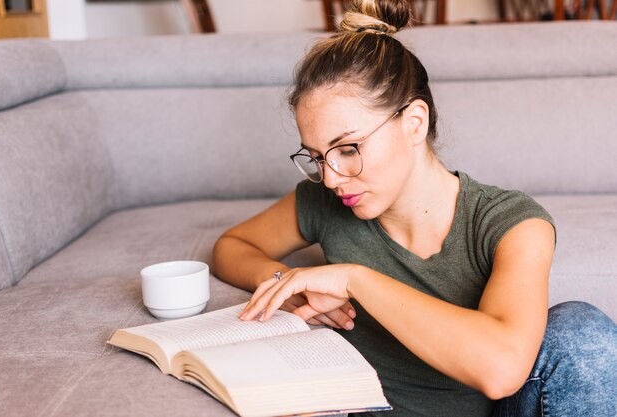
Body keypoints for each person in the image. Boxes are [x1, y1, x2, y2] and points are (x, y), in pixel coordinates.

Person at [211, 1, 617, 416]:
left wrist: (355, 280)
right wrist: (287, 285)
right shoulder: (324, 203)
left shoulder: (510, 222)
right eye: (317, 157)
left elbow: (503, 369)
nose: (331, 177)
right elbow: (232, 245)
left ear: (414, 123)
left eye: (348, 149)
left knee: (582, 331)